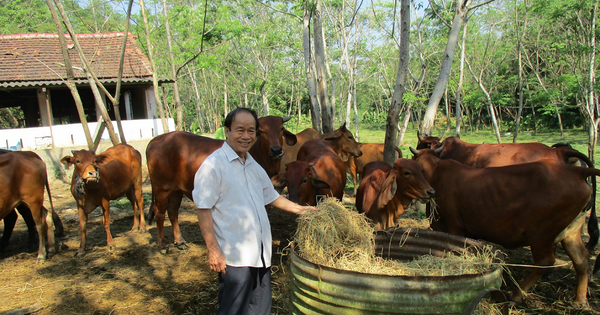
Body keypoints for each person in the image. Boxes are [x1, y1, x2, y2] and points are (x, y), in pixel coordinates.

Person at [192, 108, 316, 315]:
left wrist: (302, 210)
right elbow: (203, 209)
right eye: (240, 130)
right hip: (234, 259)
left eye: (251, 131)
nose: (246, 136)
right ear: (227, 131)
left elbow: (272, 197)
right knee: (234, 310)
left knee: (259, 309)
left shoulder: (252, 165)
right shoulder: (213, 166)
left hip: (260, 255)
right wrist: (213, 250)